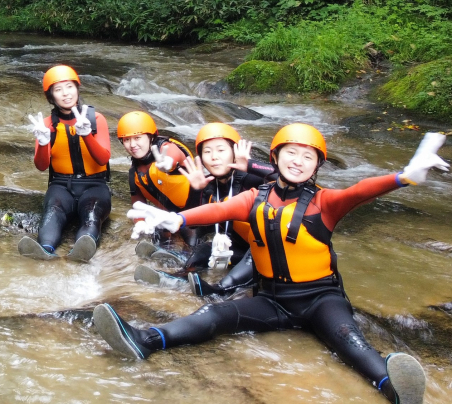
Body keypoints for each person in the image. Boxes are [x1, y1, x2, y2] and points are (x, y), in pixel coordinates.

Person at [93, 125, 448, 404]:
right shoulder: (253, 197)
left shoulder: (325, 202)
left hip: (321, 298)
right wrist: (177, 220)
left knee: (350, 341)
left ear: (317, 165)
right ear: (275, 157)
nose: (298, 161)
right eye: (291, 153)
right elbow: (217, 210)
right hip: (272, 300)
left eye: (307, 156)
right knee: (214, 316)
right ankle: (146, 340)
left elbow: (359, 190)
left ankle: (393, 388)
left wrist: (404, 177)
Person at [134, 122, 274, 294]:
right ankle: (179, 277)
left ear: (234, 152)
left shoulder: (253, 178)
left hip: (264, 248)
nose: (214, 157)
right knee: (201, 252)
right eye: (207, 152)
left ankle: (218, 290)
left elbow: (286, 176)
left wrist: (251, 165)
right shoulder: (208, 184)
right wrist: (196, 189)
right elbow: (194, 226)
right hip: (235, 245)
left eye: (221, 150)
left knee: (248, 262)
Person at [18, 65, 112, 262]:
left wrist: (86, 135)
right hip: (61, 185)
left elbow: (103, 159)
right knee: (52, 211)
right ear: (51, 96)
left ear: (77, 89)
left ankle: (82, 248)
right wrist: (43, 143)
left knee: (91, 215)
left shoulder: (96, 119)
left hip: (95, 185)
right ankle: (45, 249)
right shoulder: (46, 125)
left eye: (69, 87)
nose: (65, 94)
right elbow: (41, 166)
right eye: (58, 90)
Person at [118, 110, 199, 264]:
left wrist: (168, 162)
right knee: (158, 236)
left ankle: (187, 265)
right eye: (127, 139)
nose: (132, 145)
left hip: (194, 215)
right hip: (168, 218)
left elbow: (175, 154)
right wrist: (140, 222)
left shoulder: (166, 148)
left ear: (150, 137)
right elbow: (137, 202)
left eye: (137, 138)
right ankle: (164, 261)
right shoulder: (134, 172)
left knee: (193, 247)